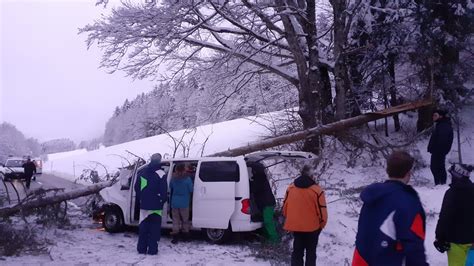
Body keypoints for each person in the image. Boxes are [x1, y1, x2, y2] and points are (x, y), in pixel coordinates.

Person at [352, 151, 428, 266]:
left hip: (361, 260)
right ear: (409, 173)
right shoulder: (409, 202)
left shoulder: (373, 196)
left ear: (388, 170)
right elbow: (414, 245)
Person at [283, 165, 328, 266]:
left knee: (297, 252)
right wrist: (322, 225)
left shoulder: (290, 188)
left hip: (296, 227)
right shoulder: (317, 190)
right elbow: (322, 211)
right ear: (312, 176)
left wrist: (292, 220)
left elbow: (285, 208)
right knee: (311, 253)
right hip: (313, 227)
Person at [434, 164, 474, 266]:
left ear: (456, 176)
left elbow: (444, 217)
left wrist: (440, 237)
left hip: (455, 243)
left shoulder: (452, 193)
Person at [134, 153, 167, 255]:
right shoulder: (161, 174)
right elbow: (164, 191)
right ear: (159, 161)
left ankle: (141, 249)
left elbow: (136, 188)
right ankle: (152, 250)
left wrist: (142, 198)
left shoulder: (142, 172)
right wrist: (162, 200)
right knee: (154, 229)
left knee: (143, 228)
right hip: (156, 206)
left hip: (144, 206)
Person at [250, 162, 279, 244]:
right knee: (266, 222)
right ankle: (267, 240)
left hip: (267, 204)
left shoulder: (259, 179)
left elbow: (254, 188)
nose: (252, 172)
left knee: (268, 222)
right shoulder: (260, 178)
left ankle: (275, 241)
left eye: (253, 170)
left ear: (256, 171)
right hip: (266, 204)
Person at [428, 109, 454, 185]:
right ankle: (439, 183)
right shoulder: (441, 124)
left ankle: (440, 184)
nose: (433, 117)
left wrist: (438, 150)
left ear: (441, 116)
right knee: (437, 167)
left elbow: (443, 139)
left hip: (439, 151)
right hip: (438, 151)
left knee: (436, 167)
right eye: (433, 115)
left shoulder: (444, 125)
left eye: (435, 115)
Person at [169, 163, 193, 244]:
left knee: (175, 220)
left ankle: (175, 237)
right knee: (185, 220)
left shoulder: (173, 178)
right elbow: (191, 190)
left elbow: (170, 186)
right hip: (184, 202)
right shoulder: (187, 179)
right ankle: (185, 236)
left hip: (175, 202)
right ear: (184, 169)